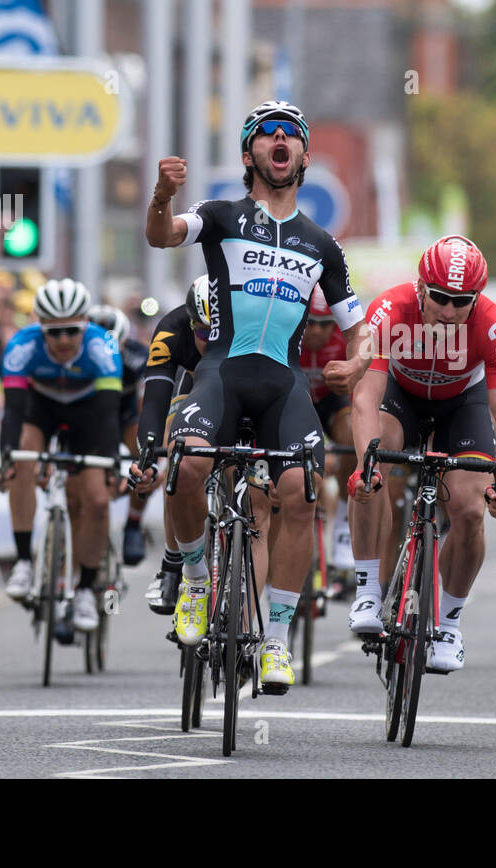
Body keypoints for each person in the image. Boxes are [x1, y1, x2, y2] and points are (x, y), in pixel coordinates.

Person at [143, 98, 367, 691]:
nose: (279, 140)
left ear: (303, 156)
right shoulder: (220, 215)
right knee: (185, 466)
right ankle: (194, 583)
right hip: (222, 372)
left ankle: (277, 639)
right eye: (266, 134)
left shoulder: (322, 243)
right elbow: (162, 236)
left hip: (283, 383)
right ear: (251, 154)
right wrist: (162, 195)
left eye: (290, 134)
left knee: (301, 492)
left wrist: (359, 362)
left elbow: (356, 328)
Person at [344, 235, 496, 672]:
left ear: (476, 299)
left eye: (461, 301)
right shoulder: (389, 309)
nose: (448, 310)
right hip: (400, 395)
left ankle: (448, 623)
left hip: (461, 403)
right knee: (376, 461)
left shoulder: (494, 326)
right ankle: (368, 590)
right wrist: (364, 464)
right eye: (439, 297)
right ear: (420, 287)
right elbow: (365, 398)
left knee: (467, 509)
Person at [0, 279, 123, 634]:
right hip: (42, 408)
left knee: (97, 501)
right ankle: (23, 561)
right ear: (40, 328)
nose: (64, 340)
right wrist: (6, 459)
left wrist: (111, 463)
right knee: (22, 456)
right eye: (54, 333)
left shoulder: (103, 346)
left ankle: (84, 590)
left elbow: (108, 414)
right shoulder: (21, 346)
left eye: (72, 331)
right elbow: (13, 413)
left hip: (89, 412)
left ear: (85, 324)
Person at [130, 278, 212, 643]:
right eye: (204, 332)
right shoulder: (172, 329)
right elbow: (156, 397)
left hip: (240, 387)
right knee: (178, 455)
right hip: (191, 387)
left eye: (219, 334)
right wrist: (149, 456)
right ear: (192, 321)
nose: (211, 342)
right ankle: (172, 562)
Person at [297, 284, 358, 577]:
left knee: (353, 433)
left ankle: (345, 523)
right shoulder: (287, 335)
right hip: (298, 403)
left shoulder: (347, 338)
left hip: (333, 403)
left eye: (326, 324)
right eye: (310, 322)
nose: (318, 331)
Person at [87, 304, 152, 566]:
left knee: (150, 463)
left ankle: (133, 525)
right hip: (91, 416)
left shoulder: (139, 358)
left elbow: (146, 408)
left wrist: (140, 464)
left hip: (127, 415)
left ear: (125, 342)